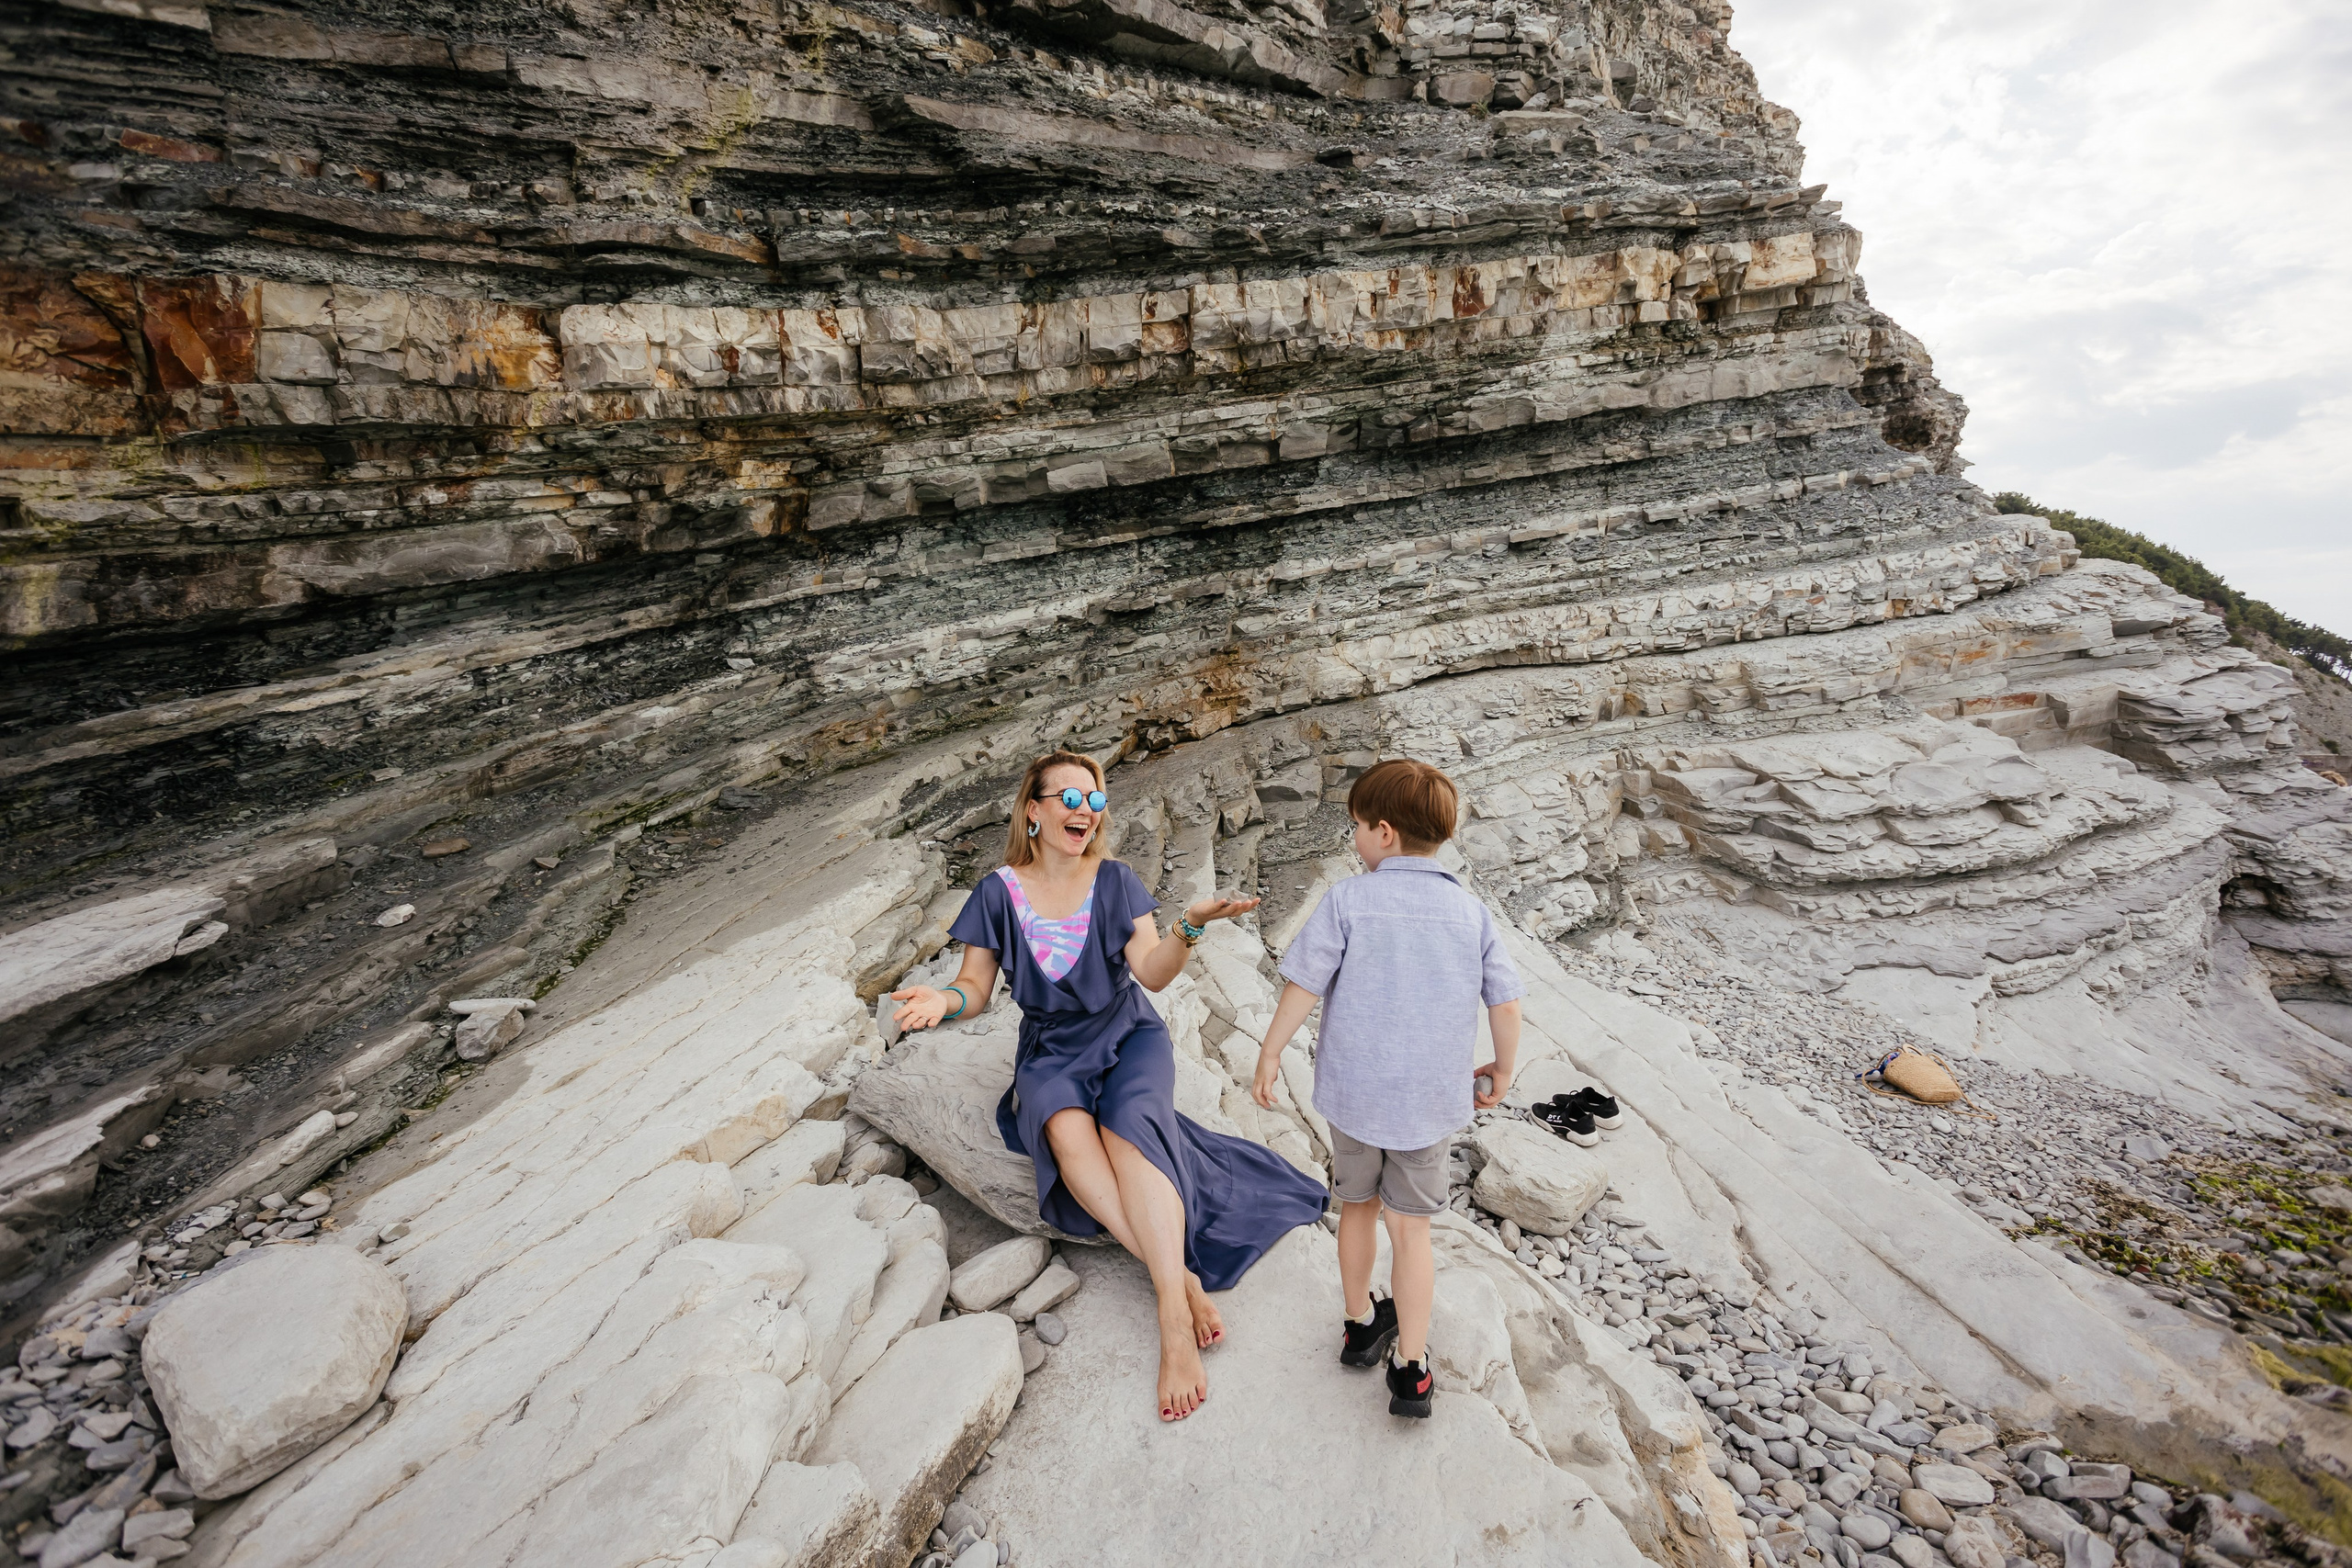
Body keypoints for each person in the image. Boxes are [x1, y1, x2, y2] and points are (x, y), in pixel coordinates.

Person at [889, 750, 1329, 1422]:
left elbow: (1152, 973)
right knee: (1064, 1129)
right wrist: (942, 1001)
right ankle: (1179, 1276)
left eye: (1093, 801)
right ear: (1032, 810)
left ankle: (1170, 1316)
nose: (1083, 811)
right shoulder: (996, 892)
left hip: (1128, 1034)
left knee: (1129, 1132)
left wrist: (1190, 924)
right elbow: (975, 987)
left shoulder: (1118, 880)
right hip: (1050, 1049)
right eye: (1067, 798)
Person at [1250, 757, 1523, 1418]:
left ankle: (1358, 1321)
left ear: (1384, 832)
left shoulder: (1350, 899)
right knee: (1412, 1231)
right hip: (1428, 1105)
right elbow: (1505, 1000)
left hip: (1354, 1097)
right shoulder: (1469, 912)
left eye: (1355, 829)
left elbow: (1305, 984)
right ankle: (1411, 1368)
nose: (1354, 841)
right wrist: (1502, 1067)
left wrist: (1270, 1049)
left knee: (1357, 1207)